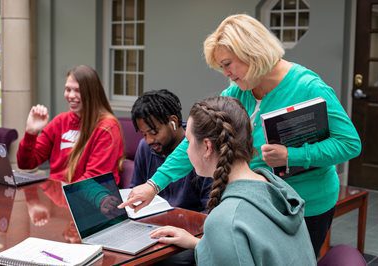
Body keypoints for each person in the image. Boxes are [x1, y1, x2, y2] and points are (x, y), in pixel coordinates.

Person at [120, 14, 362, 257]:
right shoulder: (238, 91)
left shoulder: (308, 87)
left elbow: (349, 144)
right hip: (261, 201)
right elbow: (193, 141)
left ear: (252, 52)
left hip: (307, 204)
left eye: (228, 64)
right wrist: (153, 185)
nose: (225, 73)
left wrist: (292, 155)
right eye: (221, 67)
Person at [150, 96, 316, 265]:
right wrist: (201, 244)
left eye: (189, 142)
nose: (186, 151)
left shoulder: (225, 220)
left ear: (207, 147)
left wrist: (218, 234)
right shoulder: (276, 187)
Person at [17, 65, 124, 184]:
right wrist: (31, 133)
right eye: (68, 90)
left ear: (91, 93)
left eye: (78, 90)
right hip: (58, 196)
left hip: (87, 198)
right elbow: (25, 163)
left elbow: (94, 179)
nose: (71, 96)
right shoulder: (60, 121)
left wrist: (58, 196)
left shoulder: (107, 127)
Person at [131, 89, 212, 212]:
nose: (149, 140)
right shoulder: (144, 148)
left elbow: (210, 208)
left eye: (153, 132)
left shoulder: (200, 147)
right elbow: (136, 188)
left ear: (173, 122)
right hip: (151, 224)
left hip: (190, 226)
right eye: (144, 134)